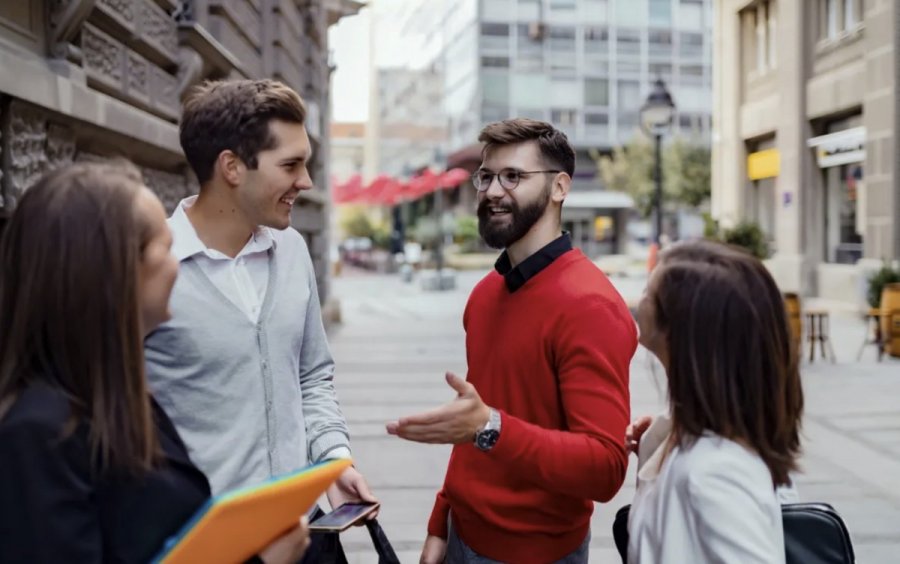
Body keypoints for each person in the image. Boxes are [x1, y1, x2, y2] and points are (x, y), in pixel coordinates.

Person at [0, 162, 310, 563]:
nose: (178, 263)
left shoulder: (117, 400)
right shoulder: (36, 436)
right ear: (114, 272)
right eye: (166, 248)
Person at [387, 118, 638, 563]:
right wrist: (440, 522)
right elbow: (472, 422)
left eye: (513, 176)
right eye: (486, 176)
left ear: (559, 187)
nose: (493, 191)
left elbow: (605, 468)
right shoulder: (486, 294)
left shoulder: (590, 305)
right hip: (460, 536)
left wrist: (490, 428)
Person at [143, 79, 376, 558]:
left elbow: (311, 374)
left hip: (309, 531)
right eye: (290, 165)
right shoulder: (150, 268)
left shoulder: (291, 250)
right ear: (231, 166)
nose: (306, 181)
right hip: (209, 543)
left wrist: (332, 460)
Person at [625, 240, 804, 563]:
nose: (639, 301)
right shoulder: (688, 440)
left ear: (685, 328)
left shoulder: (717, 472)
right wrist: (658, 441)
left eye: (649, 294)